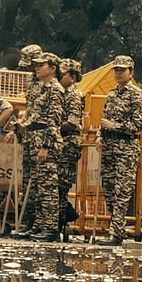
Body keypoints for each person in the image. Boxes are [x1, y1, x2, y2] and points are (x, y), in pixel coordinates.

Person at [17, 50, 66, 240]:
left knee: (48, 189)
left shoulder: (55, 89)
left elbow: (53, 121)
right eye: (36, 65)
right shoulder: (43, 88)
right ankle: (38, 225)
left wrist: (46, 146)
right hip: (36, 140)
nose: (37, 68)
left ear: (52, 68)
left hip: (47, 143)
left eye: (41, 65)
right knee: (37, 187)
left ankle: (51, 228)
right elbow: (36, 116)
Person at [98, 56, 142, 244]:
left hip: (126, 148)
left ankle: (116, 233)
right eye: (116, 69)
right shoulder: (111, 95)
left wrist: (115, 126)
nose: (118, 73)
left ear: (131, 72)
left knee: (121, 191)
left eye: (122, 70)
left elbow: (138, 124)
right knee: (109, 190)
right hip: (109, 147)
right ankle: (116, 228)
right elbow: (104, 120)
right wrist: (100, 135)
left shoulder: (135, 94)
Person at [57, 58, 88, 240]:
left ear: (73, 76)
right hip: (62, 141)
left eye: (63, 74)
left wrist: (52, 128)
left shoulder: (74, 94)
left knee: (61, 185)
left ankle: (61, 222)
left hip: (69, 143)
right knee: (55, 186)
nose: (60, 77)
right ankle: (62, 219)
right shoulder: (62, 92)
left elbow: (72, 122)